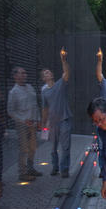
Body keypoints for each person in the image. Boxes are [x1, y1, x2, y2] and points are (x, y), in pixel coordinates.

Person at [41, 47, 72, 178]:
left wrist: (63, 60)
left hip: (65, 120)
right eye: (45, 73)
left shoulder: (60, 84)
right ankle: (55, 168)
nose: (48, 73)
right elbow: (45, 109)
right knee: (53, 148)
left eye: (49, 72)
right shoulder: (44, 92)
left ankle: (64, 170)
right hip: (52, 123)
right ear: (43, 78)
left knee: (65, 147)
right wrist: (43, 124)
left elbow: (66, 73)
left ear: (52, 75)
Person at [7, 66, 42, 181]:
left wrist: (38, 120)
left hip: (32, 123)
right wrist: (23, 120)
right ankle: (22, 172)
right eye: (21, 73)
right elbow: (10, 111)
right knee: (24, 149)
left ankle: (30, 168)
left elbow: (35, 105)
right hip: (22, 124)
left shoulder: (30, 88)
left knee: (32, 147)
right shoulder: (13, 92)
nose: (23, 75)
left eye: (25, 73)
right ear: (15, 76)